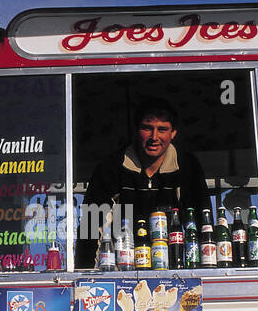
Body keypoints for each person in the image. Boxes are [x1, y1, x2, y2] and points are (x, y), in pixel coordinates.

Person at [77, 99, 211, 268]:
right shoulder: (110, 167)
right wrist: (85, 275)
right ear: (136, 130)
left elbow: (202, 224)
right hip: (121, 271)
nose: (154, 137)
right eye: (147, 128)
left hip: (173, 272)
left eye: (162, 129)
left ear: (173, 133)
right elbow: (89, 229)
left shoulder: (188, 165)